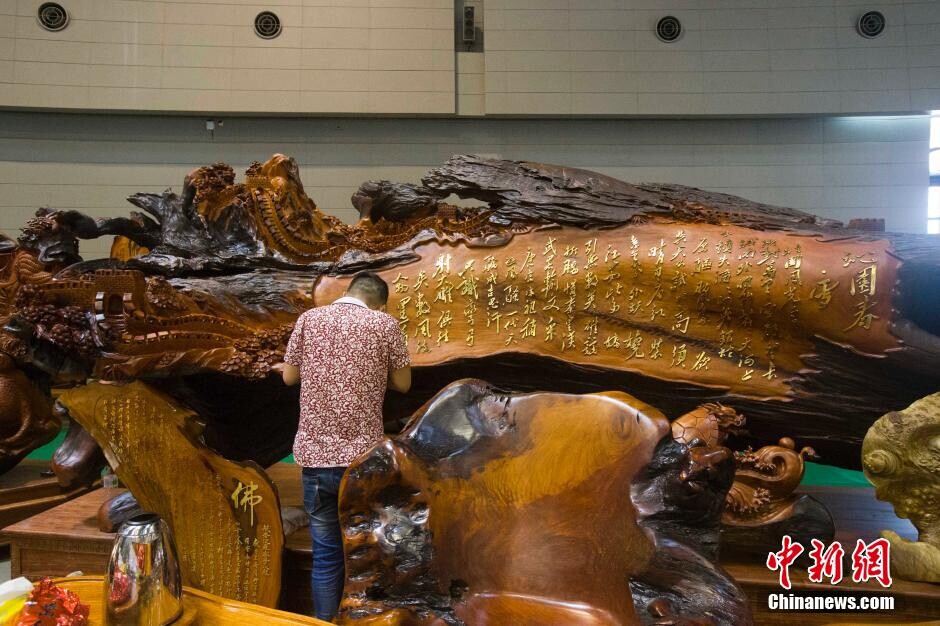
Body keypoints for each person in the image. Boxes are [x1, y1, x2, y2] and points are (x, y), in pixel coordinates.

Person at [274, 271, 411, 621]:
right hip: (362, 464)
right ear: (379, 302)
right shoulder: (384, 324)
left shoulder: (309, 319)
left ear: (348, 292)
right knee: (368, 552)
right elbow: (404, 384)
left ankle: (324, 621)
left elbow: (290, 377)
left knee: (327, 554)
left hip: (317, 463)